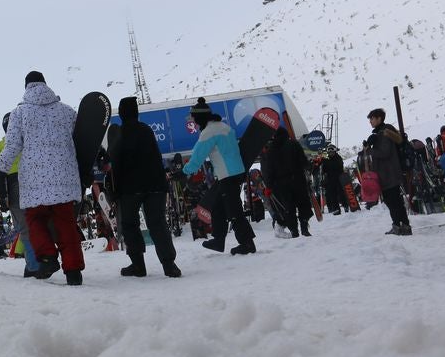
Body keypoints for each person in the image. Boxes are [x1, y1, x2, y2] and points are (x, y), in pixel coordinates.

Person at [0, 71, 84, 284]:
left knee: (35, 220)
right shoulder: (67, 111)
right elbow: (82, 140)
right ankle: (73, 272)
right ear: (46, 85)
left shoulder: (20, 113)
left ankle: (47, 257)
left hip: (35, 181)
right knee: (65, 224)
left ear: (26, 87)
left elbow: (13, 145)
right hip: (65, 177)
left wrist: (1, 171)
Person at [110, 97, 181, 277]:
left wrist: (114, 190)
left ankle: (138, 265)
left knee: (130, 225)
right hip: (154, 185)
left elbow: (116, 164)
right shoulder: (147, 130)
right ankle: (169, 264)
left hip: (129, 189)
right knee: (157, 223)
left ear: (121, 113)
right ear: (136, 112)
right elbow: (156, 158)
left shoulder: (119, 133)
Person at [182, 97, 256, 254]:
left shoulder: (209, 132)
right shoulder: (224, 126)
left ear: (200, 118)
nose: (194, 123)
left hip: (227, 175)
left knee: (234, 210)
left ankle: (247, 243)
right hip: (235, 172)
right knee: (217, 205)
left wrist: (183, 171)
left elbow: (197, 156)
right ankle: (218, 240)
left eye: (194, 119)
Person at [0, 112, 40, 278]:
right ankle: (41, 260)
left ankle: (33, 266)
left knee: (24, 228)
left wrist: (3, 198)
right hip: (33, 184)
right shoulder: (29, 140)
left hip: (13, 187)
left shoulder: (1, 145)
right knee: (37, 224)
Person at [362, 108, 411, 235]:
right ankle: (403, 226)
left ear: (379, 118)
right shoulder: (381, 133)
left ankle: (399, 226)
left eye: (372, 119)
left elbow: (384, 153)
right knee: (394, 201)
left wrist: (369, 150)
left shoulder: (385, 133)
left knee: (392, 201)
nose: (370, 122)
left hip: (389, 174)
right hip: (388, 173)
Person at [262, 127, 314, 237]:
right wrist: (311, 167)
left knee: (288, 207)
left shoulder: (271, 150)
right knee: (303, 204)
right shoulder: (294, 144)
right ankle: (304, 227)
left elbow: (268, 170)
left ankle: (294, 230)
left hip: (281, 184)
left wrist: (269, 186)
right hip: (298, 179)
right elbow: (303, 161)